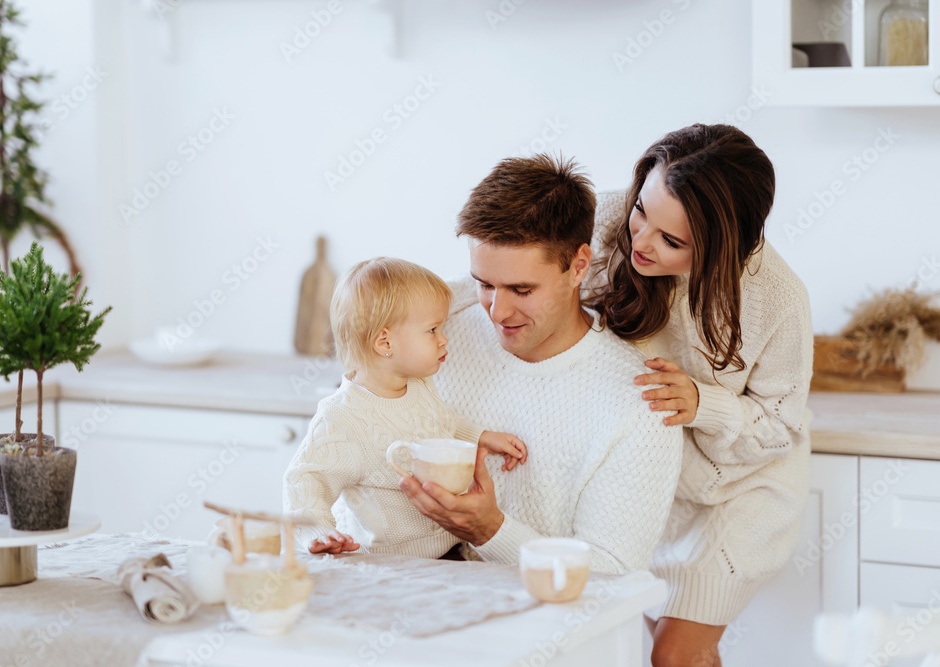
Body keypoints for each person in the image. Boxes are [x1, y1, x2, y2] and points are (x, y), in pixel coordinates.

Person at [586, 124, 814, 667]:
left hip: (742, 488)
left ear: (720, 245)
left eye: (672, 241)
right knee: (686, 653)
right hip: (651, 483)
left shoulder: (778, 297)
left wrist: (702, 402)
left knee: (673, 655)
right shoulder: (606, 219)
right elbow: (508, 268)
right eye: (643, 211)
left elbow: (780, 426)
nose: (639, 242)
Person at [397, 154, 683, 574]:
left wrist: (490, 531)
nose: (497, 311)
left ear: (578, 266)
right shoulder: (436, 336)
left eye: (522, 289)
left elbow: (611, 574)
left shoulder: (640, 403)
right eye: (485, 284)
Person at [283, 257, 527, 559]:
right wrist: (320, 534)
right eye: (433, 330)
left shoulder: (419, 385)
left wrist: (481, 436)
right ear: (385, 342)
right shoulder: (342, 417)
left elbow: (442, 423)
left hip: (452, 552)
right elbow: (305, 482)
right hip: (391, 564)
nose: (444, 339)